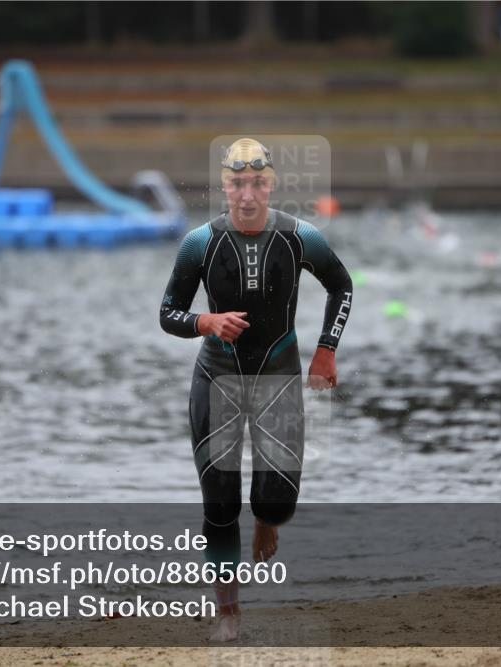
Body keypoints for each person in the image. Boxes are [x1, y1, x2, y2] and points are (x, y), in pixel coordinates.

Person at [159, 138, 353, 641]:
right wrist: (205, 320)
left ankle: (266, 518)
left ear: (271, 185)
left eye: (258, 184)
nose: (247, 194)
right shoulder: (199, 243)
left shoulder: (300, 236)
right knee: (219, 503)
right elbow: (168, 314)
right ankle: (228, 612)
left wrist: (326, 349)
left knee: (277, 501)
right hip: (216, 379)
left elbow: (342, 285)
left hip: (279, 377)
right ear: (223, 186)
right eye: (237, 184)